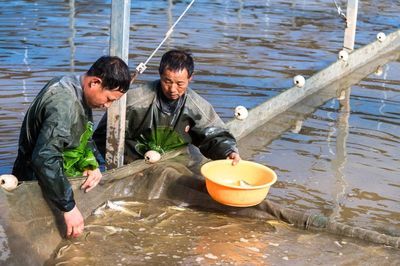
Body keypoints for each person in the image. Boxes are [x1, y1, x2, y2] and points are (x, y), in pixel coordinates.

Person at [12, 56, 131, 238]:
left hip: (57, 178)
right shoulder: (63, 102)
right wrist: (69, 207)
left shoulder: (77, 87)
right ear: (95, 82)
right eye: (108, 98)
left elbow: (83, 134)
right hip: (33, 182)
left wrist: (92, 164)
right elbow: (45, 158)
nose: (107, 106)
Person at [93, 49, 240, 165]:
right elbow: (103, 136)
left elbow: (215, 135)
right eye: (167, 81)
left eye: (180, 84)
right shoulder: (134, 102)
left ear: (190, 78)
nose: (173, 89)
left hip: (175, 160)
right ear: (160, 74)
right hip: (136, 159)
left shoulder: (196, 106)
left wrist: (228, 152)